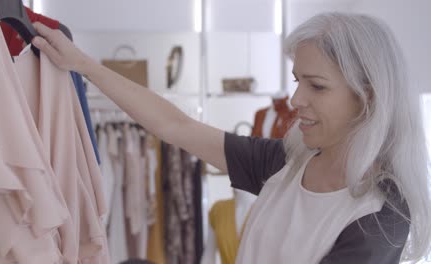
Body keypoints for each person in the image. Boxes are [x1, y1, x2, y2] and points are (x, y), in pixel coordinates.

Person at [32, 12, 431, 264]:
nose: (295, 100)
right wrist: (83, 65)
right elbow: (176, 127)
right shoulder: (287, 164)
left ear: (369, 96)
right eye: (297, 82)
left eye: (317, 86)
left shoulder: (381, 215)